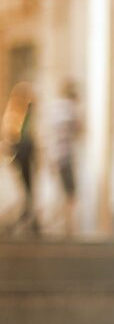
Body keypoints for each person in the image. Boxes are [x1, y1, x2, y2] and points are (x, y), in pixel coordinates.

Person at [1, 81, 40, 236]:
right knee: (25, 188)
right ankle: (27, 218)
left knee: (28, 188)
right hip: (20, 154)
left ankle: (30, 218)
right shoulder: (15, 114)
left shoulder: (28, 115)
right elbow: (11, 136)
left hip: (26, 155)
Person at [47, 79, 81, 237]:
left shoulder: (55, 108)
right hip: (65, 156)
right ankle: (67, 227)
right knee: (70, 194)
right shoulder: (68, 108)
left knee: (62, 192)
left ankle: (63, 225)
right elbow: (78, 128)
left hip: (55, 155)